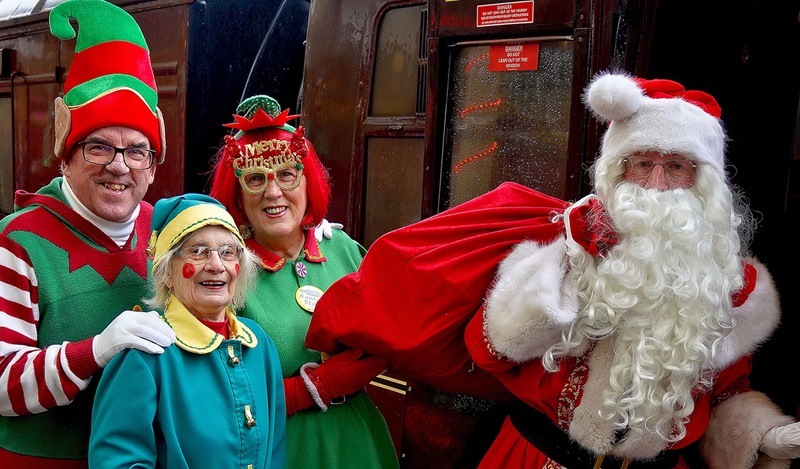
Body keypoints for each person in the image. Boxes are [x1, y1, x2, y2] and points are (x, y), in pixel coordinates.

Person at [463, 72, 800, 468]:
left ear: (701, 184)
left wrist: (765, 436)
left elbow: (723, 392)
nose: (656, 184)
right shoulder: (564, 245)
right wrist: (572, 267)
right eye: (642, 163)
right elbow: (496, 348)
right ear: (618, 172)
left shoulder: (727, 285)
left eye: (675, 166)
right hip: (538, 457)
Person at [0, 0, 177, 466]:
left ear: (153, 166)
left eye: (138, 151)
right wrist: (95, 350)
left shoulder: (165, 229)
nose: (119, 166)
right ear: (65, 155)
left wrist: (299, 235)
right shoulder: (18, 241)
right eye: (98, 146)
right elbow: (0, 385)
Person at [209, 95, 398, 468]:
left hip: (358, 444)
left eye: (286, 174)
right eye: (255, 179)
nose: (273, 191)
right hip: (279, 450)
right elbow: (207, 398)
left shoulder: (343, 249)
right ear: (237, 196)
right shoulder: (222, 271)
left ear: (307, 181)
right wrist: (311, 389)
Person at [89, 194, 287, 468]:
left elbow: (275, 450)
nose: (217, 266)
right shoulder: (146, 351)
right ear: (167, 272)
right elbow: (118, 461)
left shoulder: (258, 344)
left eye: (228, 252)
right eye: (198, 251)